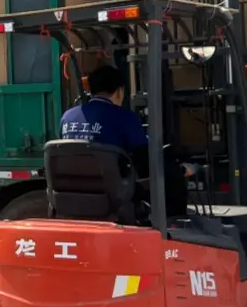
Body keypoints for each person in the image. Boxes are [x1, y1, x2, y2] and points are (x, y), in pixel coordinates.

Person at [60, 63, 190, 217]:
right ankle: (174, 225)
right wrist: (178, 169)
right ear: (119, 91)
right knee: (172, 174)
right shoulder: (125, 117)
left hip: (74, 189)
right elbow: (144, 162)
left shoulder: (67, 117)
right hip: (113, 192)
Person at [60, 64, 146, 151]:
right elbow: (142, 156)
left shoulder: (67, 117)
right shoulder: (127, 119)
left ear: (91, 91)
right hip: (109, 165)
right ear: (119, 91)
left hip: (72, 164)